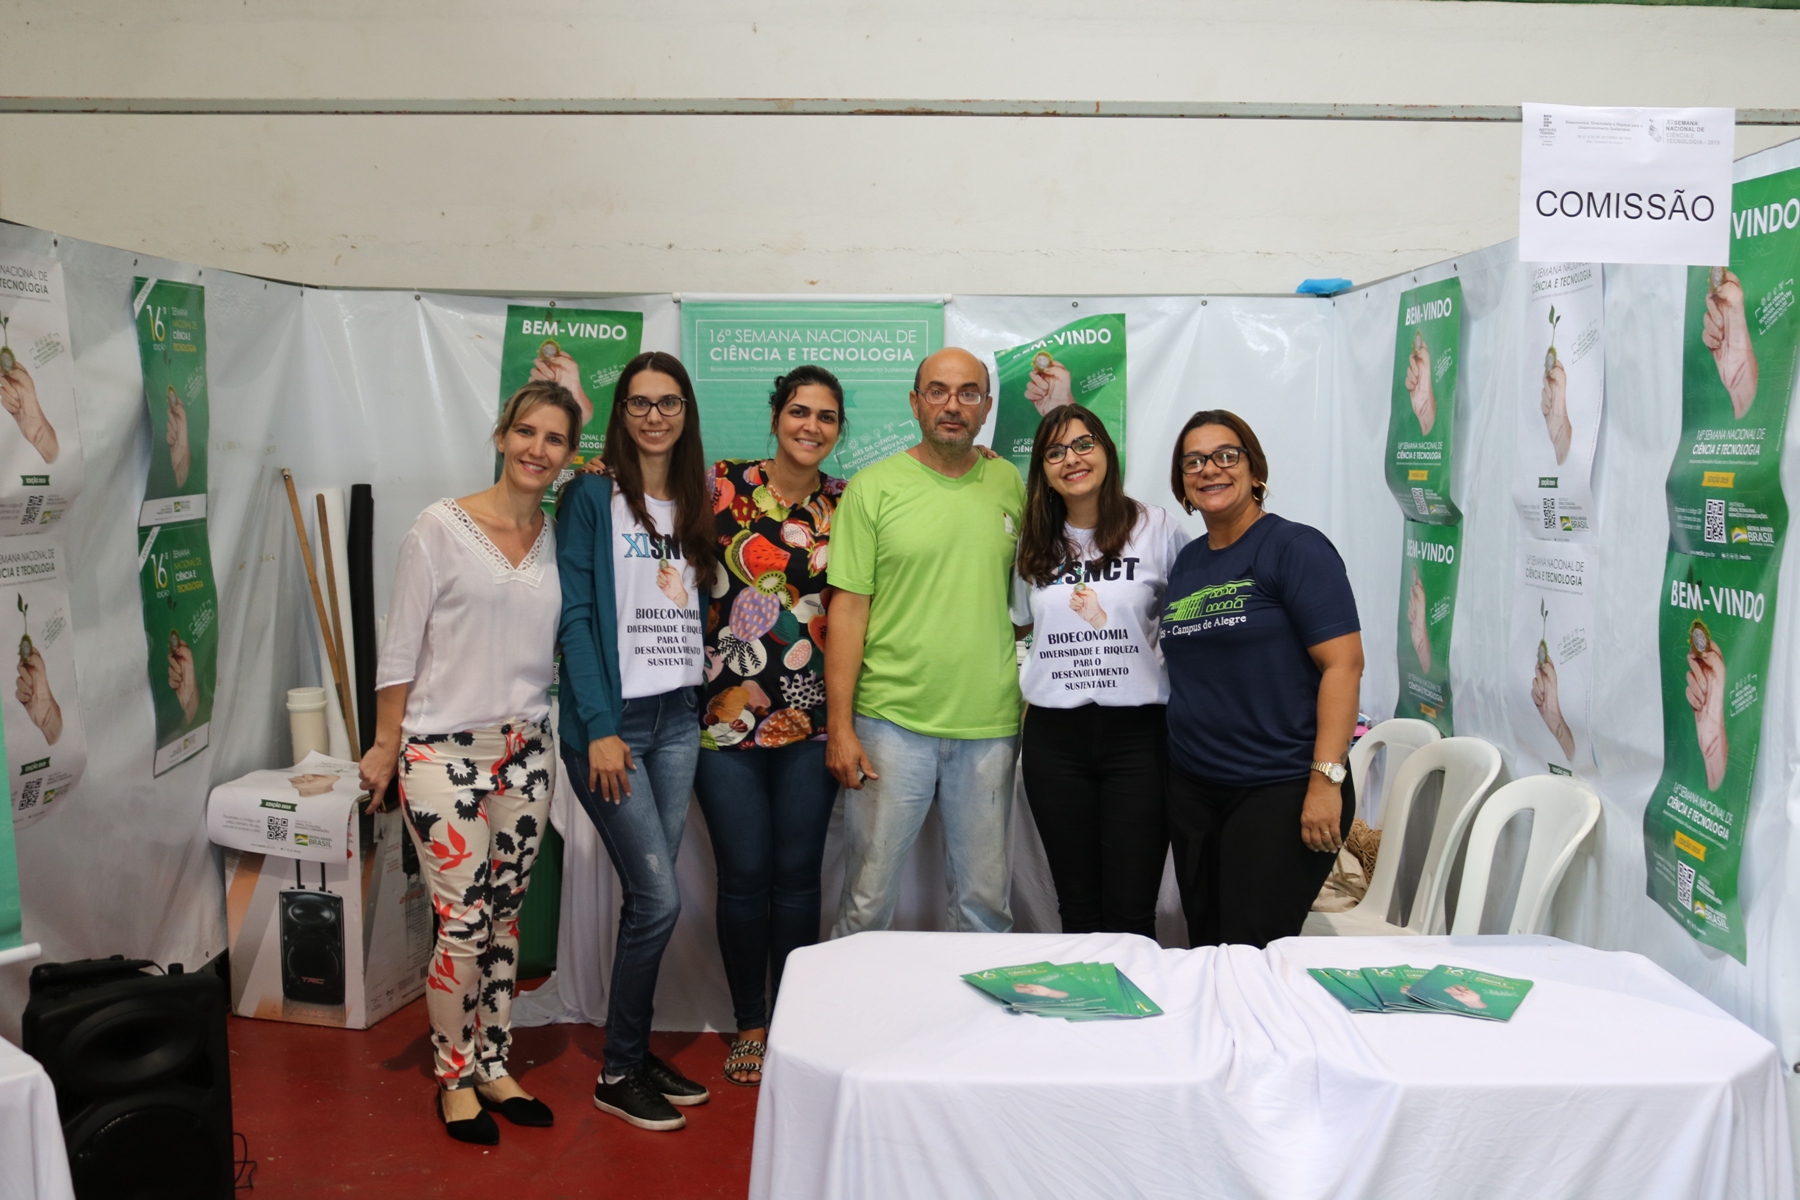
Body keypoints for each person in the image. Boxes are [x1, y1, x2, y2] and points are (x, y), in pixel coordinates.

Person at [360, 379, 580, 1145]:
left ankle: (493, 1063)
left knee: (505, 918)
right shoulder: (439, 528)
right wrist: (385, 743)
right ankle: (453, 1078)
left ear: (568, 454)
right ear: (501, 435)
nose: (537, 449)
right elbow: (400, 647)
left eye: (554, 438)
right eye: (526, 431)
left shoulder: (559, 538)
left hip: (526, 752)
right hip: (441, 754)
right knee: (462, 922)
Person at [558, 350, 717, 1131]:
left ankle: (632, 1048)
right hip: (614, 728)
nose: (655, 416)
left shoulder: (697, 497)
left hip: (678, 719)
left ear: (687, 412)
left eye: (669, 402)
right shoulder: (592, 494)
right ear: (620, 412)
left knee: (648, 902)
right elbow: (576, 618)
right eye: (640, 402)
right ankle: (618, 1072)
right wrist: (598, 729)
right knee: (658, 898)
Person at [826, 347, 1025, 937]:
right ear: (915, 403)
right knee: (866, 903)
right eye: (937, 391)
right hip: (889, 724)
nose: (952, 405)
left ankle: (974, 1004)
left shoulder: (1009, 481)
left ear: (987, 406)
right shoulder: (872, 489)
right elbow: (848, 612)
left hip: (989, 726)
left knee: (985, 908)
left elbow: (1028, 597)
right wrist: (840, 728)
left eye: (968, 393)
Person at [693, 365, 846, 1087]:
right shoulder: (720, 485)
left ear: (838, 429)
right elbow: (641, 499)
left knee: (798, 877)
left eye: (826, 416)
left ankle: (793, 1021)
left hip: (812, 721)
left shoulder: (848, 502)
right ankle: (750, 1024)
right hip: (724, 721)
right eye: (799, 411)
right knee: (745, 875)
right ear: (777, 416)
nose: (811, 426)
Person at [1159, 409, 1364, 949]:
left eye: (1226, 456)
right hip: (1196, 789)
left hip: (1280, 785)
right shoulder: (1188, 563)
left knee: (1251, 949)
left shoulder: (1294, 548)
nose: (1210, 469)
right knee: (1206, 944)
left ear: (1254, 469)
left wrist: (1326, 781)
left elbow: (1343, 665)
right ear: (1182, 482)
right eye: (1193, 462)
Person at [1011, 404, 1188, 938]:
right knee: (1077, 907)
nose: (1072, 459)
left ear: (1107, 450)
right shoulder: (1033, 541)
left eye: (1083, 444)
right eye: (1055, 452)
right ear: (1043, 470)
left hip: (1139, 738)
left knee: (1132, 910)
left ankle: (1132, 995)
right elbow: (1021, 623)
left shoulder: (1156, 528)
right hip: (1055, 740)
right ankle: (1084, 994)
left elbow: (1187, 624)